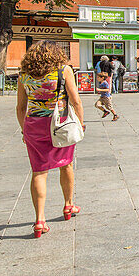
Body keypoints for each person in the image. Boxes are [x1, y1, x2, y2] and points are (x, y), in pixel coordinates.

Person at [16, 41, 84, 238]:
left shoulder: (24, 75)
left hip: (34, 125)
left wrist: (24, 130)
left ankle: (39, 219)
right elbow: (76, 100)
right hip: (60, 124)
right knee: (66, 165)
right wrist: (80, 123)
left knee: (39, 171)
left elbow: (21, 107)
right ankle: (68, 205)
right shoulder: (63, 71)